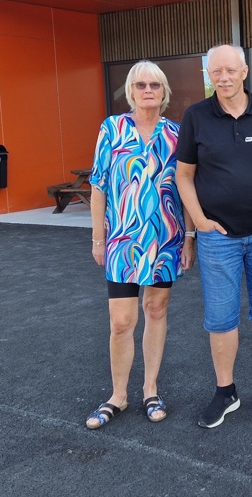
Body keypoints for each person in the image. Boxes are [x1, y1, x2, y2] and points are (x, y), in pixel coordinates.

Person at [175, 44, 252, 429]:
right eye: (216, 72)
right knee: (220, 319)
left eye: (230, 70)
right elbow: (184, 175)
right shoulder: (196, 117)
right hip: (217, 237)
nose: (224, 78)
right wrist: (200, 221)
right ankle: (225, 391)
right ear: (209, 75)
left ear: (244, 72)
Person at [85, 60, 194, 429]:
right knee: (121, 321)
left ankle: (150, 390)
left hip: (165, 239)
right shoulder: (112, 128)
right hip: (121, 239)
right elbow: (99, 186)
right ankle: (118, 395)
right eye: (141, 85)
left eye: (155, 85)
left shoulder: (176, 134)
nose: (148, 91)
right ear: (131, 91)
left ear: (164, 92)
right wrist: (98, 237)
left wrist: (189, 237)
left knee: (156, 310)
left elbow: (186, 188)